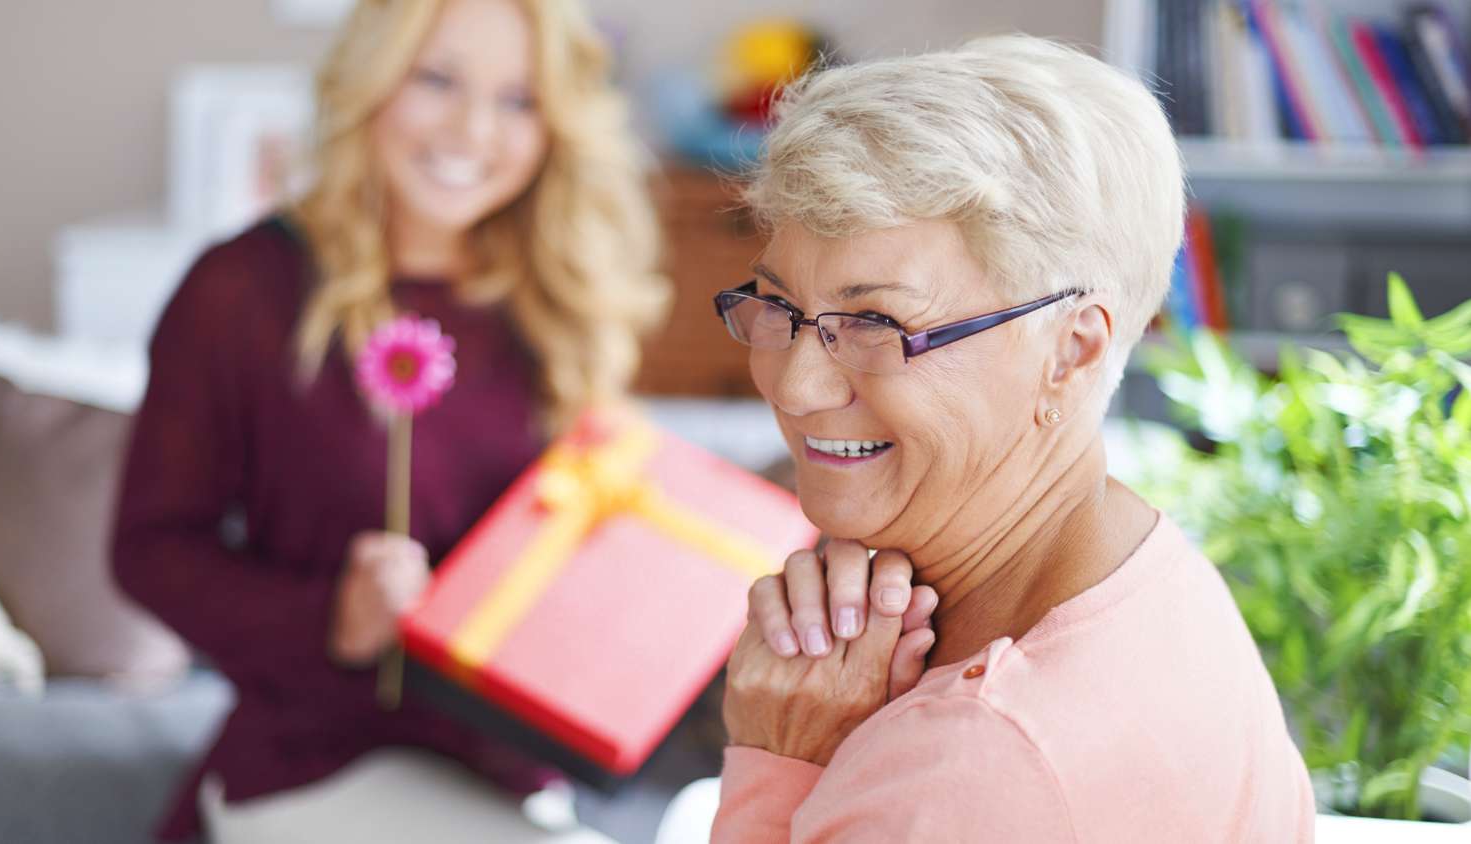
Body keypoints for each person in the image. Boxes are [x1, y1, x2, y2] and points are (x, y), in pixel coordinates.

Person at [710, 35, 1315, 842]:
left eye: (878, 324)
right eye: (780, 307)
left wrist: (777, 761)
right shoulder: (1143, 562)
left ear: (1073, 349)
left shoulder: (968, 769)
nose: (795, 387)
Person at [111, 0, 665, 839]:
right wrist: (332, 617)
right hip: (317, 766)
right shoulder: (241, 293)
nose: (473, 130)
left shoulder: (560, 299)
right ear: (370, 80)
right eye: (437, 79)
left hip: (515, 774)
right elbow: (149, 551)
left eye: (519, 100)